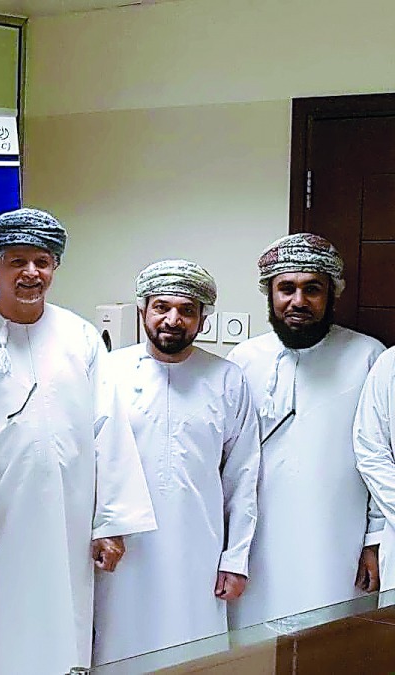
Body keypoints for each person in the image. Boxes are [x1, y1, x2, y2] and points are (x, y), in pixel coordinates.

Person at [0, 208, 156, 675]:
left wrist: (111, 524)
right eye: (17, 261)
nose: (31, 273)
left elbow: (109, 431)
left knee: (58, 629)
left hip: (66, 523)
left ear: (55, 266)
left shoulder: (81, 337)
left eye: (42, 261)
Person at [95, 260, 260, 663]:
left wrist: (235, 559)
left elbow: (243, 475)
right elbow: (89, 464)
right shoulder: (108, 372)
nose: (173, 320)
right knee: (119, 650)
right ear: (143, 311)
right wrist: (99, 529)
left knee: (194, 655)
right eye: (161, 307)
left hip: (199, 551)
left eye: (187, 310)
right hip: (123, 549)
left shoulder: (227, 378)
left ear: (203, 318)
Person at [228, 233, 384, 627]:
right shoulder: (243, 360)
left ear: (332, 295)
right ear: (270, 294)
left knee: (331, 638)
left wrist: (375, 541)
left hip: (336, 538)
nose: (298, 301)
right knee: (252, 638)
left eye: (312, 289)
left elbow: (384, 459)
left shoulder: (369, 357)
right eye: (287, 289)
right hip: (257, 542)